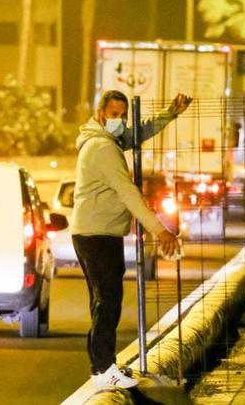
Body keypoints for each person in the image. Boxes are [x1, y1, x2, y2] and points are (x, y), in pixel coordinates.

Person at [73, 90, 189, 388]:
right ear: (101, 114)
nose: (120, 121)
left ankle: (102, 365)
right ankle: (102, 369)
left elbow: (138, 133)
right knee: (108, 301)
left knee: (102, 301)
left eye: (123, 115)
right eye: (114, 115)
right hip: (97, 235)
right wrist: (159, 229)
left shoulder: (105, 140)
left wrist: (169, 114)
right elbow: (128, 193)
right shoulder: (103, 149)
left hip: (96, 232)